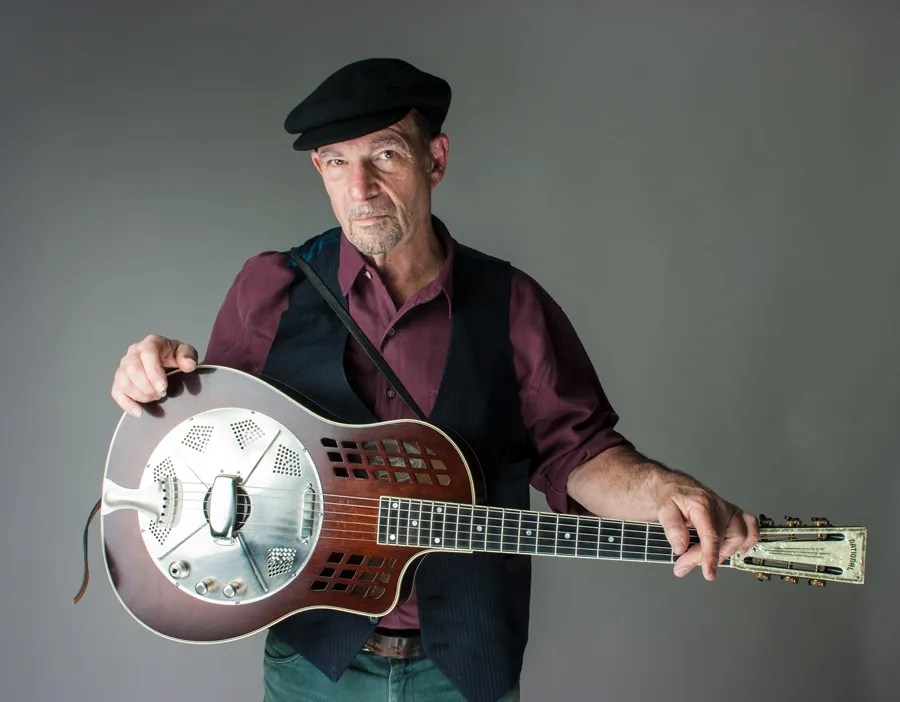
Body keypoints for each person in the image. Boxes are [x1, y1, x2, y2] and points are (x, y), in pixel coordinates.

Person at [110, 58, 759, 702]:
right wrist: (154, 378)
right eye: (337, 161)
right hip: (313, 665)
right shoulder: (271, 289)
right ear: (320, 170)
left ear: (436, 160)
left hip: (461, 668)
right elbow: (211, 442)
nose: (360, 187)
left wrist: (663, 491)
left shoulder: (513, 305)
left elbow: (579, 454)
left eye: (385, 155)